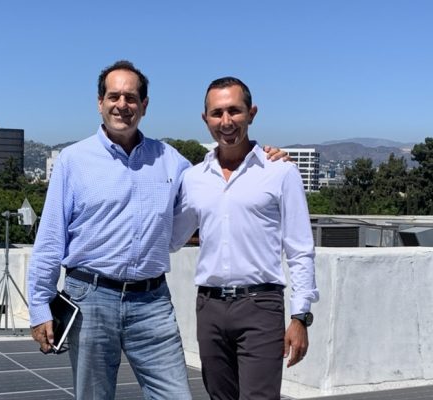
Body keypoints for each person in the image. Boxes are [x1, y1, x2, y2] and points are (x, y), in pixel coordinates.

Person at [27, 61, 287, 400]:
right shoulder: (73, 161)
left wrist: (264, 156)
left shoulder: (172, 162)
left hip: (151, 302)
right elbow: (50, 238)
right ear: (99, 102)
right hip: (90, 297)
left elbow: (216, 179)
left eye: (131, 98)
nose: (122, 105)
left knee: (175, 394)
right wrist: (39, 306)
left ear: (144, 105)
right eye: (114, 96)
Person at [171, 76, 319, 400]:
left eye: (234, 111)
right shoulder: (194, 178)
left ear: (251, 113)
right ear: (205, 119)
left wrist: (300, 316)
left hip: (261, 306)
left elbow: (299, 249)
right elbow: (171, 239)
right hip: (208, 307)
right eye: (217, 113)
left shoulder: (280, 171)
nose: (226, 122)